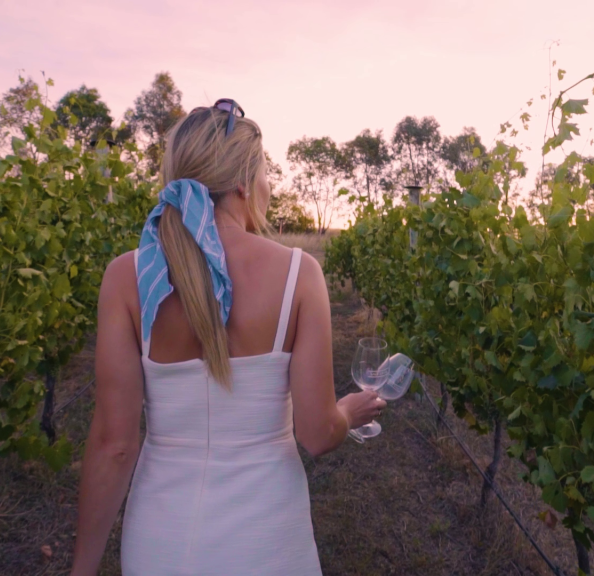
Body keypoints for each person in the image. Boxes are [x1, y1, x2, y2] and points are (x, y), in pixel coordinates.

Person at [70, 99, 386, 576]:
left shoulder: (125, 277)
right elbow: (317, 435)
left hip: (160, 541)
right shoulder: (300, 275)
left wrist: (81, 570)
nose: (267, 188)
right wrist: (348, 410)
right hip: (268, 543)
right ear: (242, 182)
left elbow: (114, 445)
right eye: (265, 174)